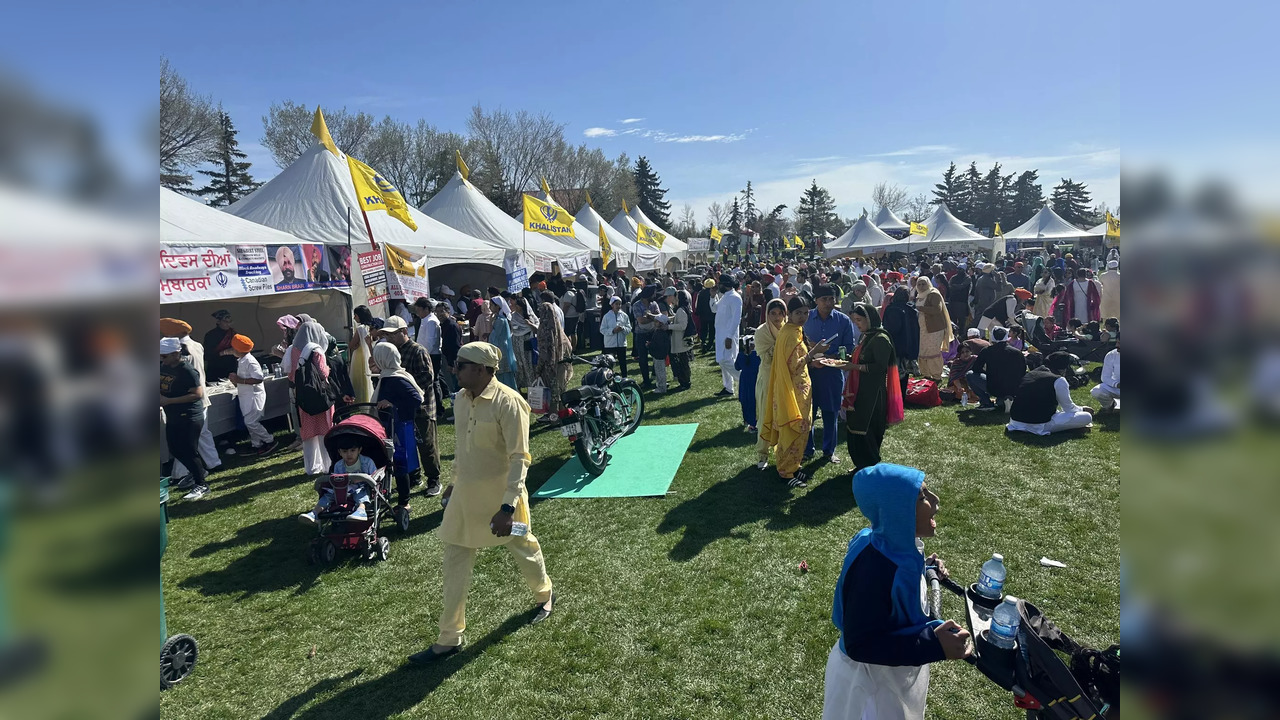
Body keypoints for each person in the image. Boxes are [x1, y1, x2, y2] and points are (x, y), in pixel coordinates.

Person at [409, 342, 554, 663]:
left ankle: (545, 593)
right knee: (454, 561)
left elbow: (520, 458)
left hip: (504, 503)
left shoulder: (510, 402)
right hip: (465, 500)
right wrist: (452, 485)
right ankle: (449, 637)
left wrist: (506, 508)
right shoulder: (460, 401)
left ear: (481, 369)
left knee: (523, 544)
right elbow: (462, 450)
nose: (453, 369)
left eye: (460, 365)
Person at [822, 463, 972, 720]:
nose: (935, 501)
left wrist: (924, 569)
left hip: (892, 674)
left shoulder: (891, 543)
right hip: (870, 684)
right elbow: (861, 643)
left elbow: (896, 581)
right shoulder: (874, 568)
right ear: (897, 510)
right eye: (923, 497)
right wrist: (933, 644)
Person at [761, 297, 831, 488]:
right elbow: (794, 366)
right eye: (798, 313)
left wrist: (811, 358)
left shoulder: (793, 330)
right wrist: (813, 352)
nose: (802, 317)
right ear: (789, 314)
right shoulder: (790, 334)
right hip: (792, 390)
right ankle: (785, 471)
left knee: (801, 429)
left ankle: (794, 465)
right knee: (792, 427)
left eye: (806, 312)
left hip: (799, 388)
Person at [377, 314, 442, 495]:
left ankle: (434, 480)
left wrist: (402, 391)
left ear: (404, 331)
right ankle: (414, 476)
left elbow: (426, 378)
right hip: (401, 410)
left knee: (427, 445)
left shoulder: (417, 350)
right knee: (407, 445)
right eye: (387, 335)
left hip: (422, 408)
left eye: (392, 334)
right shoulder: (392, 351)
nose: (389, 338)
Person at [160, 317, 222, 481]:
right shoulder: (197, 345)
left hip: (188, 398)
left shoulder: (184, 350)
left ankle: (182, 472)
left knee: (186, 439)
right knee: (202, 434)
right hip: (199, 395)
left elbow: (182, 375)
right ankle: (214, 462)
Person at [842, 304, 902, 470]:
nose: (857, 324)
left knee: (867, 428)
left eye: (859, 320)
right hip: (859, 389)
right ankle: (860, 464)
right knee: (854, 426)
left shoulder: (881, 339)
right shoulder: (867, 336)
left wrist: (854, 367)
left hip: (873, 393)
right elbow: (862, 358)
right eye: (855, 321)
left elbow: (879, 367)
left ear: (869, 319)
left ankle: (870, 465)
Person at [804, 284, 857, 462]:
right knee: (807, 413)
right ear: (816, 301)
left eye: (831, 299)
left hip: (832, 374)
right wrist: (811, 356)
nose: (828, 303)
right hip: (808, 373)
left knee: (831, 413)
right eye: (824, 299)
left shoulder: (843, 320)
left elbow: (849, 348)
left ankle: (829, 450)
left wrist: (834, 356)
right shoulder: (806, 318)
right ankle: (807, 449)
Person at [371, 341, 425, 508]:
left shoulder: (395, 378)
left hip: (399, 426)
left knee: (400, 464)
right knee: (395, 463)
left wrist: (391, 402)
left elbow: (416, 399)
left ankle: (404, 502)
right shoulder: (389, 375)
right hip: (393, 425)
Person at [161, 337, 210, 500]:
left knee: (189, 450)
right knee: (175, 449)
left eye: (164, 356)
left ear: (176, 354)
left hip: (189, 415)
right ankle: (197, 471)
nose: (161, 359)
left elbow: (197, 394)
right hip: (173, 415)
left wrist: (169, 401)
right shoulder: (165, 366)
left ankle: (201, 484)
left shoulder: (187, 370)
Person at [1007, 351, 1095, 435]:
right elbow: (1069, 408)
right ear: (1064, 368)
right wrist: (1082, 409)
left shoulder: (1031, 374)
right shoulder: (1058, 380)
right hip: (1039, 424)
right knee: (1087, 417)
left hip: (1015, 421)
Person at [290, 318, 335, 475]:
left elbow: (290, 372)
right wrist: (328, 369)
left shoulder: (294, 350)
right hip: (320, 395)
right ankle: (328, 465)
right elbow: (323, 373)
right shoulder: (316, 350)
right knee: (324, 431)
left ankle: (311, 467)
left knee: (308, 434)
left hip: (303, 395)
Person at [298, 436, 375, 525]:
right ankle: (314, 513)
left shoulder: (367, 462)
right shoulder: (338, 465)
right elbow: (336, 479)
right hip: (343, 488)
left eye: (352, 450)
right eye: (345, 452)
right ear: (340, 452)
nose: (349, 454)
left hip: (361, 487)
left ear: (359, 450)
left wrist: (362, 480)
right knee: (328, 495)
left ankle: (361, 510)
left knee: (360, 493)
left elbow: (374, 477)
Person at [226, 334, 277, 455]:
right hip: (246, 396)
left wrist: (239, 380)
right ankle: (256, 444)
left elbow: (259, 378)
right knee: (249, 421)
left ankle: (269, 440)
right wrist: (235, 381)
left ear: (238, 350)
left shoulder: (250, 361)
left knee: (250, 422)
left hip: (254, 396)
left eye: (233, 348)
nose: (232, 350)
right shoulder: (242, 360)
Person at [753, 299, 787, 470]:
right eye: (772, 313)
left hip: (786, 378)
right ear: (767, 314)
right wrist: (782, 345)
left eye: (780, 313)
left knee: (785, 416)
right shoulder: (762, 332)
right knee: (766, 416)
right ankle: (762, 454)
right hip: (768, 377)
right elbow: (765, 356)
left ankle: (784, 452)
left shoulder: (789, 328)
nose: (777, 317)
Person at [966, 327, 1027, 412]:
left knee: (970, 375)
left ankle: (986, 403)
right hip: (1014, 387)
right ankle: (1007, 400)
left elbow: (976, 369)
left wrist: (987, 372)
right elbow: (1023, 371)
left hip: (994, 386)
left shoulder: (987, 351)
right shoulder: (1017, 352)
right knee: (1002, 397)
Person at [535, 301, 574, 421]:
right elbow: (569, 347)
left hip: (550, 367)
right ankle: (564, 416)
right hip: (562, 365)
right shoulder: (558, 328)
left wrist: (539, 368)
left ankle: (553, 419)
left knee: (552, 396)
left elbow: (544, 352)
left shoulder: (544, 329)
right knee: (561, 393)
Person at [914, 276, 953, 382]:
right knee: (922, 351)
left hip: (934, 328)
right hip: (922, 329)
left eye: (923, 284)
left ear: (928, 284)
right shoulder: (918, 296)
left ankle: (936, 375)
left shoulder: (933, 294)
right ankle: (926, 373)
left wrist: (920, 308)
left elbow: (937, 309)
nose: (921, 286)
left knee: (933, 351)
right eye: (919, 284)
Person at [882, 288, 920, 395]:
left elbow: (890, 329)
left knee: (892, 375)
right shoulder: (911, 310)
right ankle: (900, 398)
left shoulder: (891, 309)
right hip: (908, 347)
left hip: (895, 347)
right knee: (904, 375)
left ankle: (893, 398)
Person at [713, 274, 744, 397]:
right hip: (720, 334)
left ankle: (744, 379)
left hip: (728, 336)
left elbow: (737, 319)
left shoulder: (735, 297)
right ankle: (728, 388)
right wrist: (712, 296)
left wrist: (730, 336)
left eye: (719, 284)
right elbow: (714, 309)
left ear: (725, 285)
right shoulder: (724, 296)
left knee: (726, 360)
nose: (718, 286)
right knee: (722, 362)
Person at [488, 297, 519, 390]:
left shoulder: (500, 320)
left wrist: (490, 322)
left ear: (497, 306)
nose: (490, 307)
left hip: (500, 347)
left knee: (503, 372)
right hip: (500, 346)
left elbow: (494, 336)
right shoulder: (498, 318)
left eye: (491, 305)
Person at [509, 295, 539, 389]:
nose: (515, 307)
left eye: (517, 305)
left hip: (528, 342)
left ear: (521, 306)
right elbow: (513, 328)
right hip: (517, 343)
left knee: (529, 364)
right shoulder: (514, 316)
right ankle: (520, 386)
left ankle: (532, 386)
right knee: (520, 364)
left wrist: (529, 324)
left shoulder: (531, 316)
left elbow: (537, 329)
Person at [202, 309, 238, 381]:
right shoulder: (211, 335)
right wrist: (223, 353)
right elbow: (207, 355)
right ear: (218, 322)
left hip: (231, 366)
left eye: (230, 322)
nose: (228, 324)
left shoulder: (233, 333)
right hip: (216, 367)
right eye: (225, 322)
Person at [668, 288, 693, 390]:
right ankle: (684, 382)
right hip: (681, 340)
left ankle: (685, 383)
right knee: (683, 362)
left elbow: (682, 325)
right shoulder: (682, 308)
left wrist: (669, 327)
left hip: (681, 340)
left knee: (683, 363)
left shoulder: (681, 310)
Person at [1091, 341, 1121, 411]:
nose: (1116, 345)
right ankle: (1110, 405)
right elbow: (1105, 377)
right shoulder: (1111, 355)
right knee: (1097, 391)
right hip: (1116, 387)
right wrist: (1116, 384)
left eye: (1120, 343)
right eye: (1117, 342)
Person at [349, 324, 375, 405]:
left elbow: (351, 344)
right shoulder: (370, 327)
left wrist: (353, 345)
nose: (354, 318)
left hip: (359, 355)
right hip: (367, 354)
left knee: (358, 378)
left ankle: (358, 400)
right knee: (366, 379)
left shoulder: (360, 328)